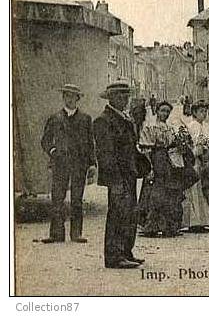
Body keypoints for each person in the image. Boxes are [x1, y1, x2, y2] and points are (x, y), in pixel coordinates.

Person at [93, 81, 148, 269]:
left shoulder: (125, 119)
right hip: (117, 177)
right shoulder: (103, 120)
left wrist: (144, 164)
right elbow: (106, 155)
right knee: (117, 214)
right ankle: (114, 256)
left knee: (130, 214)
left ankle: (126, 251)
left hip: (129, 175)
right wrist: (114, 181)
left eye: (127, 96)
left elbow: (131, 149)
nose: (125, 100)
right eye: (121, 96)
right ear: (111, 98)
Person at [40, 83, 95, 244]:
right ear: (63, 97)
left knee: (77, 199)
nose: (69, 99)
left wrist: (92, 163)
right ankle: (56, 234)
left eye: (72, 96)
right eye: (66, 96)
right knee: (57, 198)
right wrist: (53, 151)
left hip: (79, 163)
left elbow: (90, 142)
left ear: (77, 99)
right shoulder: (55, 118)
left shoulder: (85, 119)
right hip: (60, 164)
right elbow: (45, 140)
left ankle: (76, 234)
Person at [138, 101, 191, 237]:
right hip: (156, 160)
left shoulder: (168, 127)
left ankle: (169, 226)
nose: (165, 114)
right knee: (155, 194)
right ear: (157, 111)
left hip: (167, 162)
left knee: (170, 193)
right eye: (162, 111)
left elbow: (171, 145)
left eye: (167, 111)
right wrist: (149, 169)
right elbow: (146, 149)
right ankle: (151, 226)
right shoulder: (150, 126)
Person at [182, 100, 209, 231]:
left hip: (204, 160)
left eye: (205, 111)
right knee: (195, 191)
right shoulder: (193, 125)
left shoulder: (205, 126)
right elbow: (194, 145)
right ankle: (194, 222)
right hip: (195, 161)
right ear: (194, 113)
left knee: (203, 190)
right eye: (201, 111)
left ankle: (202, 221)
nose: (204, 114)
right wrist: (201, 148)